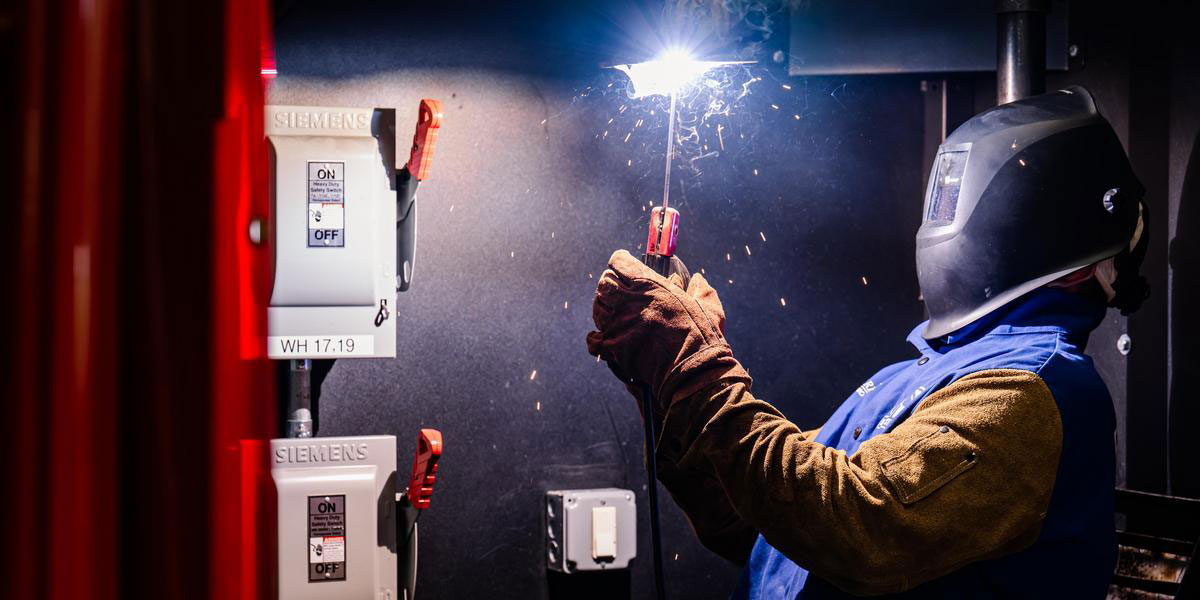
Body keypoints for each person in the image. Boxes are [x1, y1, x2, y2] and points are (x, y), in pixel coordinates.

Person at [586, 86, 1149, 598]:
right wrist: (673, 390)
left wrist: (696, 367)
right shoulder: (919, 378)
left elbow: (855, 527)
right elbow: (766, 524)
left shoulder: (1028, 393)